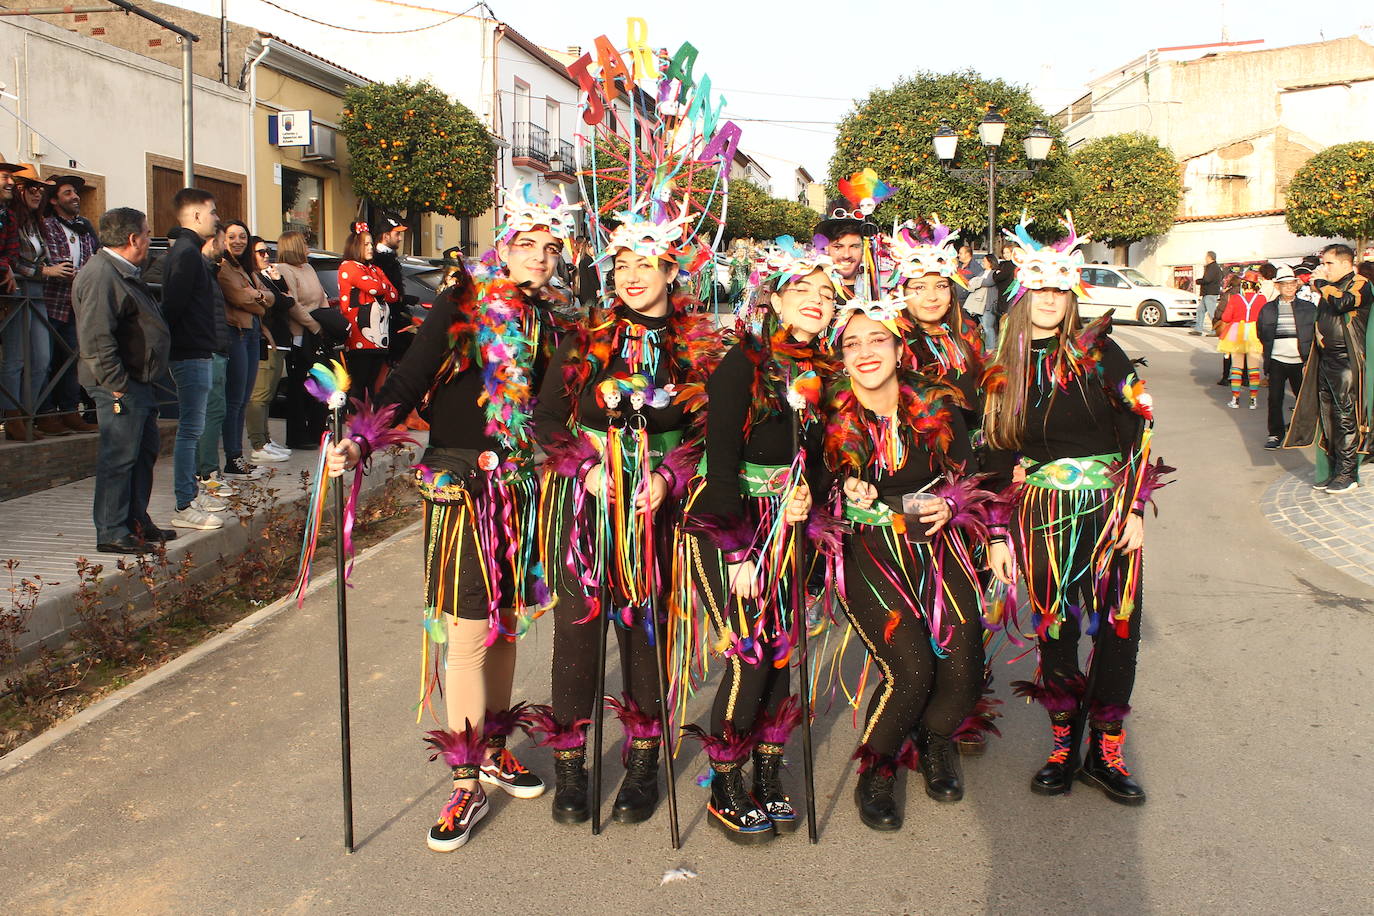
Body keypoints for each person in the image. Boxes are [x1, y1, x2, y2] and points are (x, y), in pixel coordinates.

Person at [328, 189, 577, 853]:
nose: (542, 257)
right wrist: (360, 439)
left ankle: (493, 747)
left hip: (520, 485)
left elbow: (558, 408)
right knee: (467, 633)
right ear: (506, 245)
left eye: (553, 247)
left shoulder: (551, 319)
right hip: (461, 484)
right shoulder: (463, 300)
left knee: (506, 625)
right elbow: (409, 378)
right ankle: (465, 779)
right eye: (530, 244)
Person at [532, 205, 723, 830]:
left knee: (645, 631)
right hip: (587, 505)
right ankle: (570, 763)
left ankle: (643, 760)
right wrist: (585, 466)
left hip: (657, 512)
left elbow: (711, 430)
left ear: (671, 269)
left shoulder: (698, 346)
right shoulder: (586, 337)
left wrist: (669, 478)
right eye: (622, 264)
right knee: (577, 629)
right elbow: (547, 418)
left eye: (646, 263)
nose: (633, 276)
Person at [984, 212, 1166, 807]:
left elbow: (1138, 430)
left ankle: (1105, 754)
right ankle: (1063, 746)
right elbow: (993, 458)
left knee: (1118, 630)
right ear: (1021, 293)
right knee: (1056, 631)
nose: (1049, 298)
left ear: (1072, 296)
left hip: (1109, 511)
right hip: (1040, 514)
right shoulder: (1003, 368)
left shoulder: (1101, 353)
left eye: (1059, 290)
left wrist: (1135, 508)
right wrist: (998, 536)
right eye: (1039, 287)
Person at [677, 239, 837, 843]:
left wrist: (810, 495)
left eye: (827, 293)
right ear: (776, 298)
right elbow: (720, 460)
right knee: (749, 652)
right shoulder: (743, 362)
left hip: (789, 525)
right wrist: (738, 548)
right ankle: (724, 780)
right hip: (732, 521)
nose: (816, 300)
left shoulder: (823, 371)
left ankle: (768, 770)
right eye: (803, 290)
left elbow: (821, 457)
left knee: (783, 649)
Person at [825, 298, 989, 831]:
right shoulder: (824, 412)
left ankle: (934, 740)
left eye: (877, 339)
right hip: (866, 546)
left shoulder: (935, 402)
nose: (865, 351)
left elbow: (969, 477)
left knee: (963, 671)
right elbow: (805, 485)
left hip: (935, 541)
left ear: (899, 348)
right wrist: (837, 488)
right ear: (841, 358)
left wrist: (953, 504)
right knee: (912, 671)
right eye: (852, 343)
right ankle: (877, 769)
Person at [74, 207, 174, 554]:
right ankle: (112, 530)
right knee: (119, 456)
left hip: (136, 381)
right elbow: (96, 337)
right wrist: (116, 383)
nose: (149, 239)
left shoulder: (123, 271)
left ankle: (135, 521)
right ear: (133, 238)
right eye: (146, 233)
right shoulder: (102, 274)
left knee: (142, 452)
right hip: (119, 384)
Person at [161, 188, 226, 530]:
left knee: (194, 428)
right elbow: (172, 306)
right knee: (190, 431)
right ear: (197, 215)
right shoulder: (185, 253)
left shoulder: (191, 252)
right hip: (189, 352)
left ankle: (191, 493)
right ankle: (185, 503)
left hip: (197, 350)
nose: (217, 218)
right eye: (213, 212)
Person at [1285, 244, 1373, 493]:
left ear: (1346, 264)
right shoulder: (1330, 288)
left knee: (1346, 418)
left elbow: (1344, 303)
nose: (1325, 268)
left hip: (1347, 362)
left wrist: (1321, 284)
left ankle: (1347, 474)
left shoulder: (1360, 284)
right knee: (1328, 417)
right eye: (1323, 264)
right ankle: (1335, 469)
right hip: (1326, 360)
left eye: (1329, 264)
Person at [38, 175, 100, 435]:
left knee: (72, 360)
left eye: (75, 193)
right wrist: (72, 272)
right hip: (52, 303)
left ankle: (69, 411)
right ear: (54, 200)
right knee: (46, 360)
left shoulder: (83, 227)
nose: (75, 197)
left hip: (76, 305)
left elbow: (91, 258)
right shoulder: (48, 225)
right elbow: (56, 260)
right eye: (67, 193)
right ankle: (45, 414)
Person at [2, 165, 54, 440]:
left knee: (42, 358)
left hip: (36, 293)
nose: (38, 193)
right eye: (32, 188)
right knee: (16, 357)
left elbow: (16, 256)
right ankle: (13, 418)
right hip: (17, 292)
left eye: (41, 190)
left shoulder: (35, 221)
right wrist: (44, 271)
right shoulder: (12, 217)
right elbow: (14, 260)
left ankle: (26, 414)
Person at [216, 220, 272, 479]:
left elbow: (269, 297)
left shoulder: (246, 268)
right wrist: (258, 298)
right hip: (236, 334)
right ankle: (233, 457)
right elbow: (239, 297)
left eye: (242, 236)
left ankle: (237, 456)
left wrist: (256, 295)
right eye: (232, 236)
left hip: (252, 334)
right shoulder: (223, 266)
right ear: (223, 239)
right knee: (235, 400)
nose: (238, 241)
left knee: (244, 399)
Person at [272, 229, 327, 450]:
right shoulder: (284, 270)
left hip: (317, 331)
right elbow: (292, 304)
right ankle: (297, 435)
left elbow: (321, 297)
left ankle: (317, 430)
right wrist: (313, 325)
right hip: (300, 334)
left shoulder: (309, 268)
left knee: (320, 381)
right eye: (304, 243)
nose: (307, 247)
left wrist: (326, 321)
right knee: (298, 385)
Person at [195, 225, 237, 497]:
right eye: (223, 241)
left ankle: (207, 470)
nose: (225, 248)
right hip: (208, 350)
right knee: (211, 411)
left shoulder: (209, 271)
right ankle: (207, 473)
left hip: (216, 348)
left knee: (215, 410)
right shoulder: (196, 268)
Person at [337, 221, 398, 401]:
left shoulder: (374, 269)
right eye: (366, 244)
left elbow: (393, 295)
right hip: (359, 337)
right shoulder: (349, 266)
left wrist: (380, 287)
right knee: (358, 384)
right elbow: (375, 288)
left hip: (379, 339)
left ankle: (368, 417)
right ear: (355, 246)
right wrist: (381, 286)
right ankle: (355, 416)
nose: (371, 247)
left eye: (371, 243)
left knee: (371, 385)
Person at [244, 236, 292, 465]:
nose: (266, 256)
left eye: (267, 252)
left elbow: (286, 300)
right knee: (259, 396)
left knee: (267, 395)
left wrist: (278, 282)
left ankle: (265, 439)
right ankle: (258, 444)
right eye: (260, 252)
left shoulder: (265, 277)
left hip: (279, 341)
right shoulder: (251, 277)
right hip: (267, 341)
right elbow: (281, 303)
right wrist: (281, 298)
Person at [1257, 266, 1315, 449]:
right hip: (1276, 360)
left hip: (1300, 361)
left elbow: (1315, 333)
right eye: (1285, 284)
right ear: (1278, 286)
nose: (1289, 287)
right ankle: (1275, 434)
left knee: (1303, 400)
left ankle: (1300, 431)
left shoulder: (1308, 308)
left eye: (1292, 284)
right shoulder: (1268, 309)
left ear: (1296, 285)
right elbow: (1262, 333)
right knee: (1275, 399)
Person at [371, 213, 416, 367]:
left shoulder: (388, 258)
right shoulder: (378, 260)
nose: (400, 238)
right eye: (397, 234)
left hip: (394, 319)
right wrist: (400, 299)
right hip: (385, 322)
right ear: (385, 236)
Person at [1217, 270, 1266, 409]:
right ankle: (1253, 400)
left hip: (1236, 333)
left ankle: (1235, 399)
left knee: (1237, 368)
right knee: (1253, 368)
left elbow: (1226, 317)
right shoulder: (1262, 299)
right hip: (1255, 333)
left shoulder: (1235, 298)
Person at [1193, 250, 1221, 336]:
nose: (1205, 258)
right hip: (1208, 293)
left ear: (1209, 257)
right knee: (1200, 310)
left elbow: (1207, 279)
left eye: (1206, 257)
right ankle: (1198, 330)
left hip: (1210, 293)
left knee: (1211, 313)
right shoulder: (1215, 267)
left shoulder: (1212, 267)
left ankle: (1215, 331)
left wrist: (1198, 281)